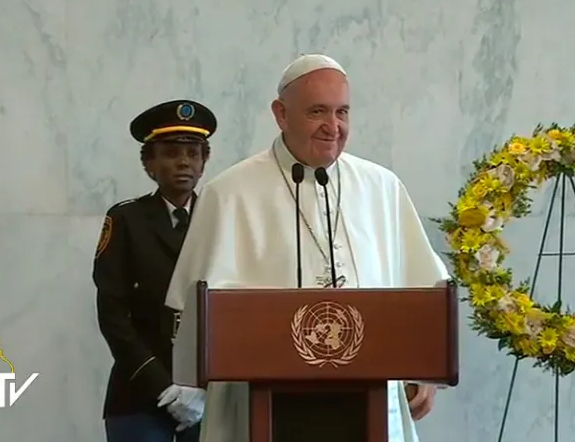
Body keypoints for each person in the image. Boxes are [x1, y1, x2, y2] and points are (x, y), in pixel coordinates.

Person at [165, 55, 450, 442]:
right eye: (317, 111)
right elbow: (197, 312)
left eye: (342, 112)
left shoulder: (381, 188)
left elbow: (423, 293)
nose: (333, 127)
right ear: (281, 114)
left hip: (367, 406)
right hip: (260, 409)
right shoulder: (231, 193)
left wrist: (421, 371)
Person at [93, 99, 218, 442]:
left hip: (208, 396)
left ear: (204, 162)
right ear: (149, 163)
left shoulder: (220, 220)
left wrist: (204, 385)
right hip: (139, 395)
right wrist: (163, 386)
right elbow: (114, 316)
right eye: (170, 153)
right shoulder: (126, 220)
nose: (183, 162)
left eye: (193, 153)